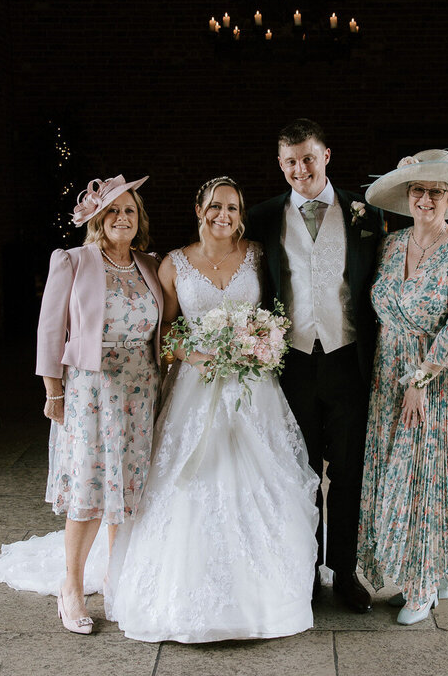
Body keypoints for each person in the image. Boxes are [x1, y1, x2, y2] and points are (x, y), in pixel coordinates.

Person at [105, 176, 319, 643]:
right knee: (191, 484)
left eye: (234, 208)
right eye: (217, 207)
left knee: (262, 482)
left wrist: (263, 342)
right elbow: (164, 334)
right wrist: (192, 354)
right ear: (199, 209)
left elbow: (279, 314)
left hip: (252, 388)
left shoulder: (260, 257)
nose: (225, 216)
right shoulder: (172, 264)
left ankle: (268, 593)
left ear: (242, 215)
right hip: (196, 388)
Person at [0, 174, 163, 636]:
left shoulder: (151, 264)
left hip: (141, 387)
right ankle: (71, 585)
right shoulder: (72, 261)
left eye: (129, 210)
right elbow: (50, 333)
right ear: (97, 218)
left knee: (125, 486)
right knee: (89, 487)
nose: (121, 218)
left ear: (138, 218)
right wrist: (53, 393)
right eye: (112, 211)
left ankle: (113, 576)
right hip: (92, 390)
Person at [246, 119, 385, 613]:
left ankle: (343, 573)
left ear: (326, 155)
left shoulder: (367, 213)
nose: (299, 169)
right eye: (289, 161)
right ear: (280, 165)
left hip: (349, 360)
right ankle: (303, 571)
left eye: (308, 157)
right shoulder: (262, 217)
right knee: (298, 472)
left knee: (348, 472)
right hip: (292, 364)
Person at [357, 149, 448, 625]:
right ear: (407, 196)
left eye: (435, 191)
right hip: (387, 375)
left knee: (426, 478)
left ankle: (424, 586)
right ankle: (409, 575)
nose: (425, 198)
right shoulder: (391, 246)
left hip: (435, 384)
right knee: (395, 477)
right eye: (418, 190)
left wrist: (420, 381)